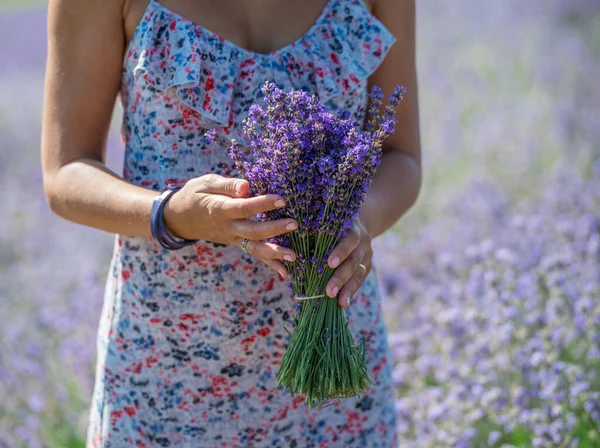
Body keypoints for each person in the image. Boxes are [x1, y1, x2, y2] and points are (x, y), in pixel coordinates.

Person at [41, 0, 421, 445]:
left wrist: (355, 219)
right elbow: (66, 171)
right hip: (167, 377)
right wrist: (171, 214)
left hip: (334, 372)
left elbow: (400, 156)